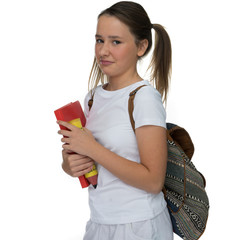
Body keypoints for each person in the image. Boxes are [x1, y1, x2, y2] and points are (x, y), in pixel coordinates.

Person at [57, 1, 173, 239]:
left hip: (139, 226)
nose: (103, 51)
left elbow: (153, 181)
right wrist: (70, 165)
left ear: (141, 47)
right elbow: (94, 166)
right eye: (99, 40)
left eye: (115, 42)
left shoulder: (144, 98)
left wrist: (92, 148)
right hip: (100, 223)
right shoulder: (92, 98)